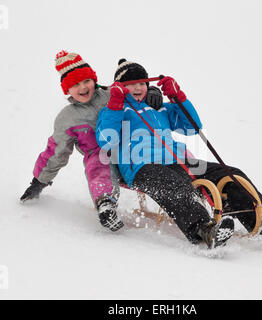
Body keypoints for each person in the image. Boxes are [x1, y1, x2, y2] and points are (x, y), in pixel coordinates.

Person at [96, 59, 262, 249]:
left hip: (177, 160)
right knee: (172, 185)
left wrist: (177, 97)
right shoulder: (113, 110)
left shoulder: (159, 108)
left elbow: (191, 126)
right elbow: (107, 141)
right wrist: (115, 105)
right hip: (141, 167)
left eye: (142, 82)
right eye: (131, 84)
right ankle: (203, 230)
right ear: (121, 88)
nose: (138, 87)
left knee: (230, 174)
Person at [20, 51, 163, 232]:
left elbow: (136, 90)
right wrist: (39, 181)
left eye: (86, 81)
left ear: (94, 79)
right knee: (98, 165)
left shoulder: (111, 93)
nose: (83, 87)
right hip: (100, 154)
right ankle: (106, 204)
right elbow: (56, 152)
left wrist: (153, 91)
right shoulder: (68, 118)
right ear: (66, 90)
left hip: (132, 147)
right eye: (75, 84)